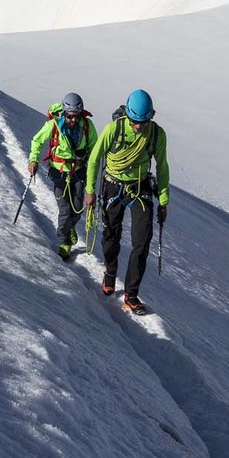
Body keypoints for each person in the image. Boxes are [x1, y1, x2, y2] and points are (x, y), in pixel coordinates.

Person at [85, 88, 170, 314]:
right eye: (134, 121)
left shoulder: (156, 134)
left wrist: (163, 201)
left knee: (141, 242)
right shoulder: (114, 128)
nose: (138, 126)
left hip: (140, 186)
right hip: (113, 185)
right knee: (111, 234)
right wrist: (89, 191)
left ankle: (132, 293)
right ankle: (110, 271)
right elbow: (94, 159)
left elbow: (162, 166)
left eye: (143, 122)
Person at [27, 92, 96, 260]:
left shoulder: (87, 126)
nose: (73, 120)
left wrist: (88, 157)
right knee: (65, 209)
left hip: (79, 171)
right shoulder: (53, 125)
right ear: (65, 112)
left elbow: (95, 147)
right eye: (70, 116)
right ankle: (64, 242)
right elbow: (37, 140)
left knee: (78, 207)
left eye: (76, 116)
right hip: (59, 172)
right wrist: (33, 160)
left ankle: (69, 227)